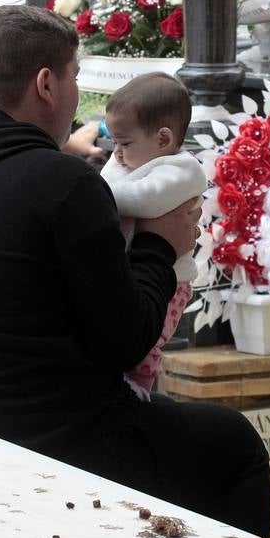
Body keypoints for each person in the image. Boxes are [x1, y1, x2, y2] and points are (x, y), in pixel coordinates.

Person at [0, 5, 270, 538]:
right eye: (76, 76)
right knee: (231, 445)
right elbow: (125, 339)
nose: (77, 91)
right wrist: (160, 246)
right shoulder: (62, 183)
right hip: (38, 442)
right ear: (46, 83)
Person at [100, 73, 206, 398]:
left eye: (125, 142)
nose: (116, 152)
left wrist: (92, 195)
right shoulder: (128, 162)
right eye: (114, 142)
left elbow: (147, 199)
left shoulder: (182, 169)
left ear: (162, 139)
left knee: (153, 337)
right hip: (132, 269)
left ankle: (141, 385)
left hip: (172, 280)